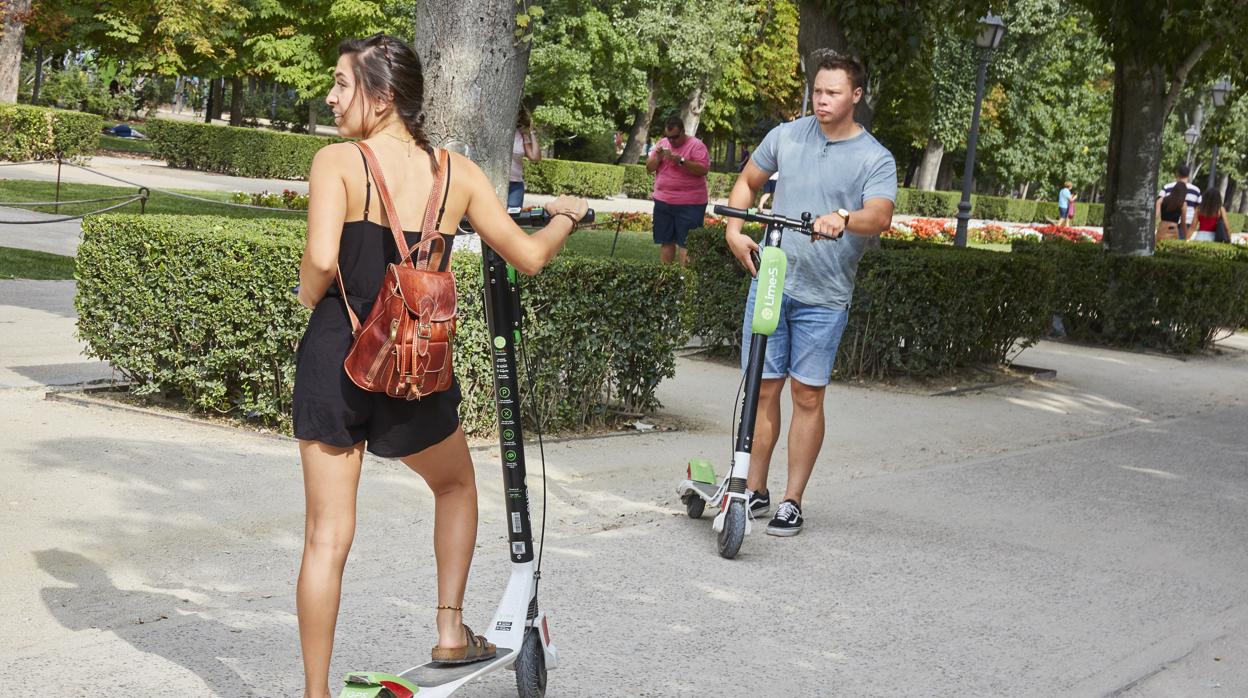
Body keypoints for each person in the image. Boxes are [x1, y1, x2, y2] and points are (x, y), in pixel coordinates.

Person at [292, 33, 587, 698]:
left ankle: (315, 695)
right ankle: (451, 630)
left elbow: (317, 263)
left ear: (383, 97)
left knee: (326, 540)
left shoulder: (338, 162)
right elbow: (529, 257)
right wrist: (566, 215)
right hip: (413, 368)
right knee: (455, 487)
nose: (332, 97)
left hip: (335, 364)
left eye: (342, 84)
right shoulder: (458, 173)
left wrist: (312, 298)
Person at [724, 50, 896, 537]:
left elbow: (879, 215)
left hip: (825, 295)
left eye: (833, 92)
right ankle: (752, 490)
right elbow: (746, 182)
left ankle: (791, 500)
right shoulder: (787, 136)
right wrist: (735, 231)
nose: (821, 100)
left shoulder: (874, 158)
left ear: (856, 96)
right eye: (817, 91)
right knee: (762, 389)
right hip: (772, 279)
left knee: (807, 396)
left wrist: (843, 218)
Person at [647, 116, 710, 265]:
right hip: (663, 202)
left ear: (682, 131)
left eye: (675, 137)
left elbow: (703, 170)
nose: (672, 141)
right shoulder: (662, 144)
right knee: (666, 241)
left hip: (690, 204)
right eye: (668, 137)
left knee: (686, 244)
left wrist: (681, 161)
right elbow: (649, 168)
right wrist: (658, 157)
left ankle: (685, 282)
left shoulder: (696, 146)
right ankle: (667, 279)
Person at [508, 107, 541, 212]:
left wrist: (532, 133)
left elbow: (535, 157)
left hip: (515, 185)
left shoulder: (522, 135)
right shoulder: (499, 132)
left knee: (513, 217)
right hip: (495, 181)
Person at [1157, 164, 1202, 234]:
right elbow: (1198, 209)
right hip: (1188, 222)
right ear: (1188, 175)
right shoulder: (1196, 190)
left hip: (1166, 224)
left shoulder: (1167, 187)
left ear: (1177, 174)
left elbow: (1159, 205)